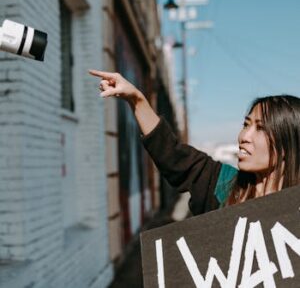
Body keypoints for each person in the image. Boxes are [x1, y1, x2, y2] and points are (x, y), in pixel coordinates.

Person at [89, 69, 300, 215]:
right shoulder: (223, 185)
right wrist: (136, 99)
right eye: (246, 124)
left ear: (287, 146)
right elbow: (173, 156)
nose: (244, 136)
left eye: (260, 128)